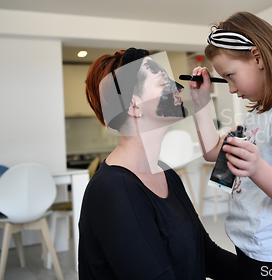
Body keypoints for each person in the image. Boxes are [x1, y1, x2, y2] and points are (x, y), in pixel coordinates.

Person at [79, 48, 241, 280]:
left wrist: (270, 274)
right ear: (133, 106)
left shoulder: (166, 174)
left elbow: (207, 256)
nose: (179, 88)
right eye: (163, 81)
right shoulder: (112, 191)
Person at [190, 11, 272, 279]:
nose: (232, 89)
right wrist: (201, 106)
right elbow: (214, 152)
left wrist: (257, 167)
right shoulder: (255, 115)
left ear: (258, 58)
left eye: (231, 76)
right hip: (248, 243)